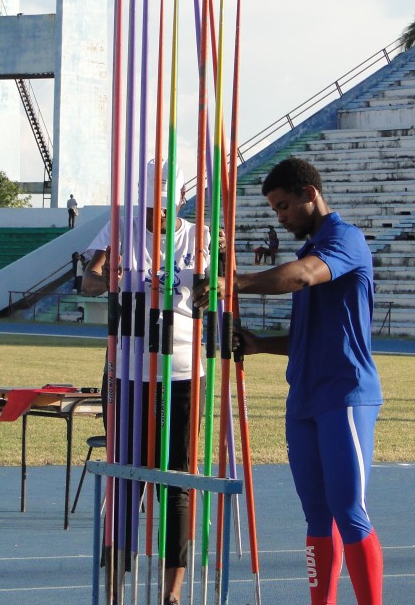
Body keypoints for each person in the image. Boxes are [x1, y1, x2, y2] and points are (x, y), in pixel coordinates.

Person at [199, 157, 384, 605]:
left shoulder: (345, 240)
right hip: (302, 398)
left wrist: (235, 282)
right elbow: (308, 336)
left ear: (309, 194)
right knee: (316, 516)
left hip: (345, 395)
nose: (279, 217)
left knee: (349, 512)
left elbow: (301, 278)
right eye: (274, 209)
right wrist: (260, 344)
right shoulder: (308, 252)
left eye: (283, 206)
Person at [82, 159, 212, 605]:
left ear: (180, 199)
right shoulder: (119, 230)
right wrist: (106, 278)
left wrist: (212, 281)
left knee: (177, 480)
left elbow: (212, 292)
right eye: (152, 206)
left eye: (166, 206)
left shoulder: (199, 236)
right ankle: (116, 588)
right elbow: (89, 280)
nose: (158, 215)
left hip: (182, 371)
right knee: (125, 479)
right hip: (127, 370)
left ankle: (171, 593)